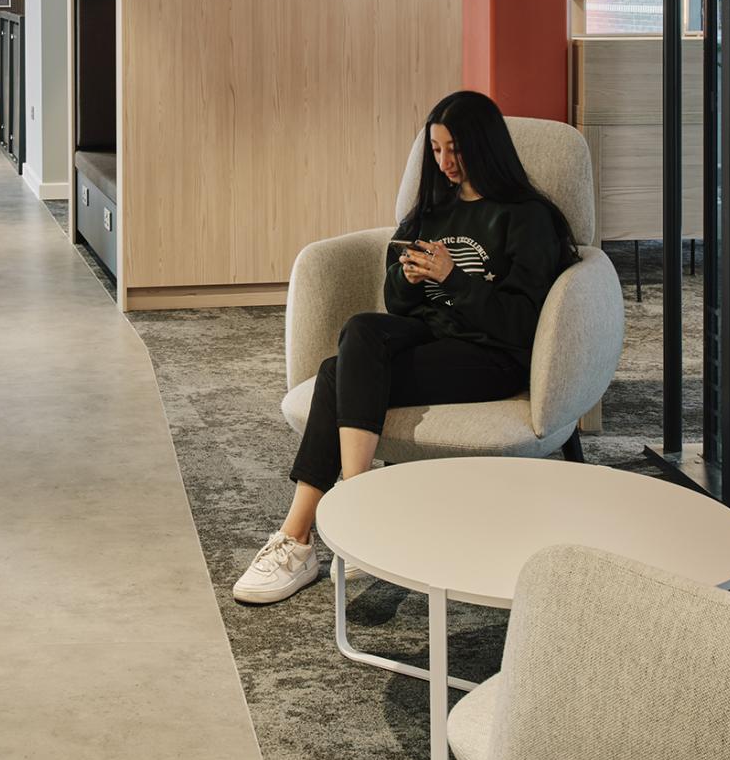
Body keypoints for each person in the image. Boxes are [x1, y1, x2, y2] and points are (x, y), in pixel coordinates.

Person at [232, 90, 577, 604]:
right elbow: (397, 306)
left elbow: (521, 324)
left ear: (485, 146)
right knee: (361, 332)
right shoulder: (432, 210)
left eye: (455, 149)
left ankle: (303, 536)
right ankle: (356, 506)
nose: (446, 162)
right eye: (436, 150)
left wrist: (452, 277)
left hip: (492, 355)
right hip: (432, 337)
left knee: (336, 375)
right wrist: (410, 277)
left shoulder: (527, 217)